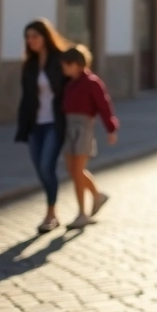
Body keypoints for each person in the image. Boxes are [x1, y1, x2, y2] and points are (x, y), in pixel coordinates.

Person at [14, 19, 70, 234]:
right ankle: (53, 209)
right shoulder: (29, 64)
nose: (31, 41)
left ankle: (51, 214)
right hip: (34, 125)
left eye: (35, 36)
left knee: (47, 167)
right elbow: (26, 97)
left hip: (54, 123)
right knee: (40, 169)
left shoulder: (59, 60)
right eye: (28, 37)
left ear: (45, 37)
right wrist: (22, 125)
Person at [59, 44, 119, 229]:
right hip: (68, 128)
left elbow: (104, 105)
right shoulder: (69, 83)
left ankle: (82, 214)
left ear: (76, 64)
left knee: (78, 171)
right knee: (72, 170)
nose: (64, 68)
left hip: (83, 129)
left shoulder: (92, 82)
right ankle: (98, 196)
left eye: (66, 65)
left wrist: (110, 129)